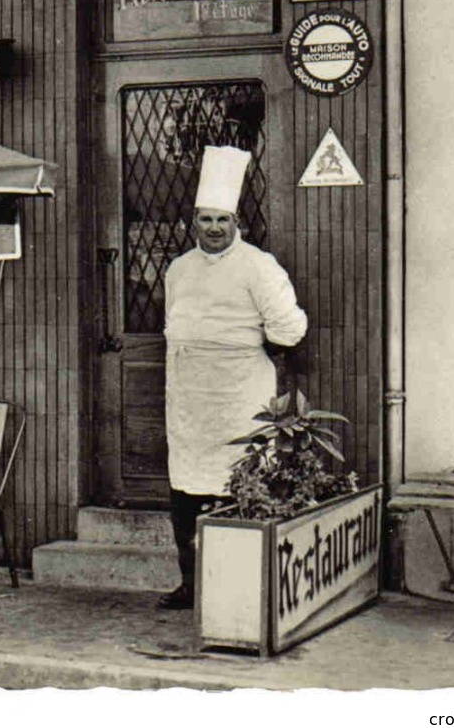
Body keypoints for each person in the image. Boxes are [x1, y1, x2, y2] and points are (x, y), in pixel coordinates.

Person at [159, 145, 307, 610]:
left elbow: (289, 327)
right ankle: (191, 584)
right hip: (188, 400)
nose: (215, 229)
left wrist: (251, 350)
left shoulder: (259, 266)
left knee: (238, 483)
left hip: (239, 394)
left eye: (223, 220)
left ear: (236, 222)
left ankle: (239, 589)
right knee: (185, 490)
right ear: (193, 223)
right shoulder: (178, 270)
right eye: (206, 220)